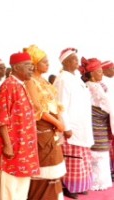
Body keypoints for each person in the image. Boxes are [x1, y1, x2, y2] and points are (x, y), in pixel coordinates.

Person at [0, 52, 40, 200]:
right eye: (28, 65)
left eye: (32, 65)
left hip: (24, 147)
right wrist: (7, 145)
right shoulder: (8, 86)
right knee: (10, 189)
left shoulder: (20, 85)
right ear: (16, 67)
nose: (32, 68)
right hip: (13, 147)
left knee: (21, 187)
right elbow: (1, 118)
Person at [23, 45, 66, 200]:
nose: (48, 64)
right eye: (44, 61)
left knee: (54, 170)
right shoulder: (30, 82)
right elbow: (37, 108)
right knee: (44, 171)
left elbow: (56, 104)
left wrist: (59, 123)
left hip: (52, 127)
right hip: (42, 129)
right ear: (34, 64)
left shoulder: (45, 82)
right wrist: (57, 122)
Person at [53, 48, 94, 199]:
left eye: (77, 60)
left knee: (82, 159)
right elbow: (60, 105)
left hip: (82, 126)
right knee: (71, 159)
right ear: (65, 62)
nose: (77, 63)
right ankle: (68, 187)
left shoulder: (75, 77)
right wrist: (67, 127)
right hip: (72, 127)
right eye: (74, 60)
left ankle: (80, 185)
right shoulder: (62, 79)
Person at [79, 57, 113, 191]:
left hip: (100, 122)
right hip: (95, 122)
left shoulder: (98, 85)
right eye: (99, 71)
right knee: (98, 153)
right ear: (92, 74)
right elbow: (108, 106)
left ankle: (99, 182)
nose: (101, 74)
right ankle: (97, 183)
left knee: (100, 152)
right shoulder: (92, 87)